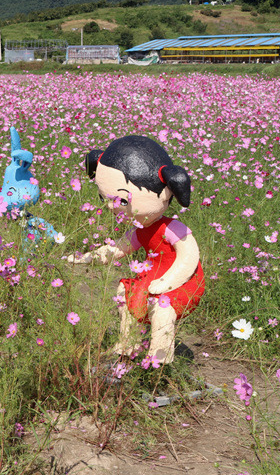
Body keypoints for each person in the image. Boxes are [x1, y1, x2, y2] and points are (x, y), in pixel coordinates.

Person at [68, 135, 205, 364]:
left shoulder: (173, 229)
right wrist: (87, 257)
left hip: (182, 280)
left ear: (165, 192)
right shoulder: (140, 229)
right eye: (105, 198)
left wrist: (167, 283)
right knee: (126, 292)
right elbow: (117, 249)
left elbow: (189, 257)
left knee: (162, 307)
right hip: (155, 275)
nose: (111, 206)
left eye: (122, 200)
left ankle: (160, 358)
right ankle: (127, 344)